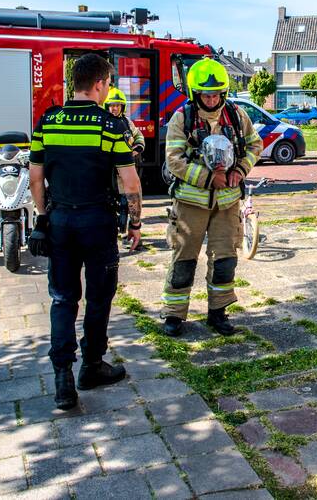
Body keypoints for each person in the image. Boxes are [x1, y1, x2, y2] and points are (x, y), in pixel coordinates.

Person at [26, 53, 143, 411]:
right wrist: (135, 223)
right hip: (97, 224)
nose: (108, 90)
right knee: (98, 297)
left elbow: (35, 179)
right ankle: (92, 366)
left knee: (63, 299)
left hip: (60, 222)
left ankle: (63, 378)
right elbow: (130, 180)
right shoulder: (109, 126)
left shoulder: (47, 122)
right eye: (108, 83)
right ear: (98, 84)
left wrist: (44, 217)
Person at [161, 57, 263, 337]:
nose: (212, 98)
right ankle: (174, 314)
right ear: (196, 93)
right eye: (206, 94)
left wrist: (240, 170)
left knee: (225, 260)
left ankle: (218, 312)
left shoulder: (236, 115)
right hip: (191, 203)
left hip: (228, 203)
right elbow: (174, 159)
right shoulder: (182, 117)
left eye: (217, 93)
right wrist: (209, 178)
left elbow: (255, 144)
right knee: (184, 259)